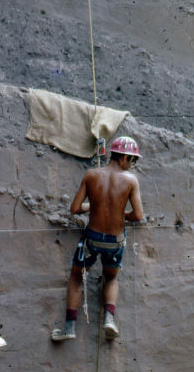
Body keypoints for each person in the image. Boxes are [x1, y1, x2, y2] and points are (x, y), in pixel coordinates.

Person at [51, 136, 144, 342]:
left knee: (76, 277)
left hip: (92, 240)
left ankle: (69, 327)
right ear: (125, 157)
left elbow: (75, 208)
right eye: (132, 160)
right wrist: (120, 214)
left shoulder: (91, 175)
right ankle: (109, 320)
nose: (132, 165)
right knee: (111, 278)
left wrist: (93, 207)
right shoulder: (130, 181)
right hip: (115, 241)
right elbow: (138, 215)